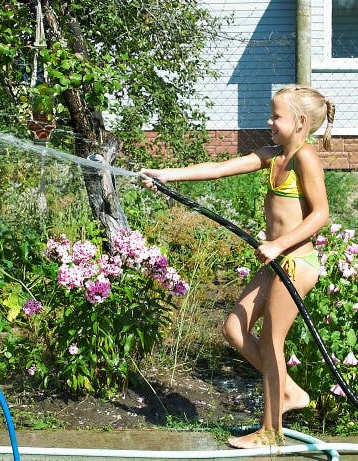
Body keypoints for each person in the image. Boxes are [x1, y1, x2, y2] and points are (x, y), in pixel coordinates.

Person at [141, 85, 335, 448]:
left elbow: (321, 214)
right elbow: (218, 168)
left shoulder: (304, 157)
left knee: (273, 343)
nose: (269, 120)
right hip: (276, 263)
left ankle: (270, 433)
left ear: (300, 122)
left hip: (295, 263)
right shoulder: (273, 155)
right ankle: (289, 393)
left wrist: (278, 244)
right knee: (233, 328)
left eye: (276, 115)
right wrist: (165, 174)